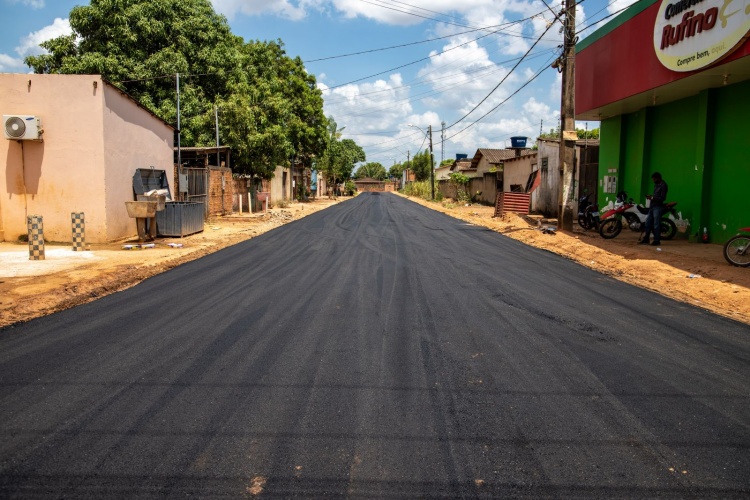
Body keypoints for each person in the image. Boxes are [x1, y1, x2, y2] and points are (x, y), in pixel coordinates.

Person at [639, 172, 668, 246]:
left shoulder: (663, 185)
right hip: (652, 206)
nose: (653, 180)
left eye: (654, 179)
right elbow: (655, 196)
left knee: (656, 224)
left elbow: (662, 198)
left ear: (658, 178)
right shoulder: (656, 185)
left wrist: (652, 198)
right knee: (648, 223)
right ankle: (646, 239)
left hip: (658, 207)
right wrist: (651, 197)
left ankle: (657, 240)